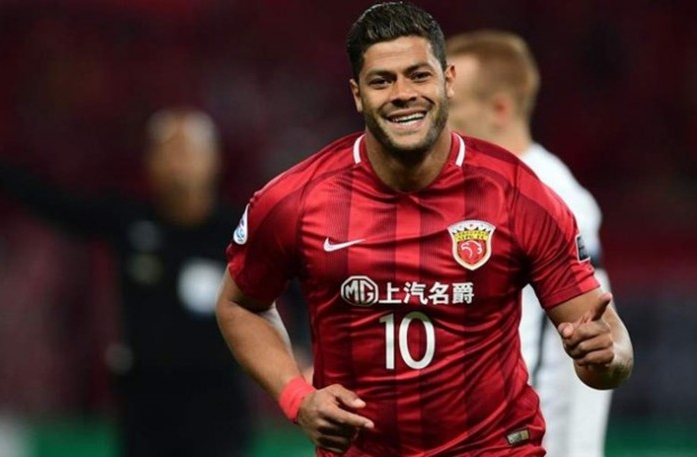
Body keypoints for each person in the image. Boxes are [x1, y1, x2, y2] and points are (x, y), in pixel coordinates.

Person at [215, 2, 634, 456]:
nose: (402, 94)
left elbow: (609, 345)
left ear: (447, 81)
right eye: (382, 81)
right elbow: (239, 305)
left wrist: (605, 356)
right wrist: (297, 397)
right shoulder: (296, 200)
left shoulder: (521, 196)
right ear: (357, 95)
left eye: (418, 75)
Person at [0, 108, 251, 457]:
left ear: (214, 161)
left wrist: (299, 341)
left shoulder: (243, 232)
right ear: (150, 162)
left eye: (188, 150)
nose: (178, 162)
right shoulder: (128, 222)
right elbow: (46, 199)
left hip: (217, 408)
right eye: (167, 150)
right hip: (145, 408)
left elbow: (297, 281)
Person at [445, 29, 614, 456]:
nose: (438, 119)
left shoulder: (555, 196)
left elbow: (588, 339)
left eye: (453, 106)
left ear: (500, 108)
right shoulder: (462, 188)